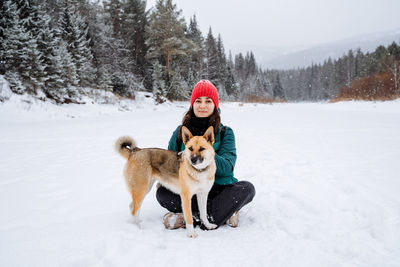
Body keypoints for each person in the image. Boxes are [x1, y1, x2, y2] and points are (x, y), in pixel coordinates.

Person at [156, 79, 255, 230]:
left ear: (215, 105)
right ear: (192, 104)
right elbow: (168, 165)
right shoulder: (180, 132)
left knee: (246, 189)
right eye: (198, 101)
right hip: (190, 189)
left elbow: (228, 167)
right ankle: (223, 213)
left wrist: (208, 152)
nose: (202, 105)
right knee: (162, 192)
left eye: (208, 101)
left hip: (218, 189)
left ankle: (191, 217)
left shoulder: (225, 132)